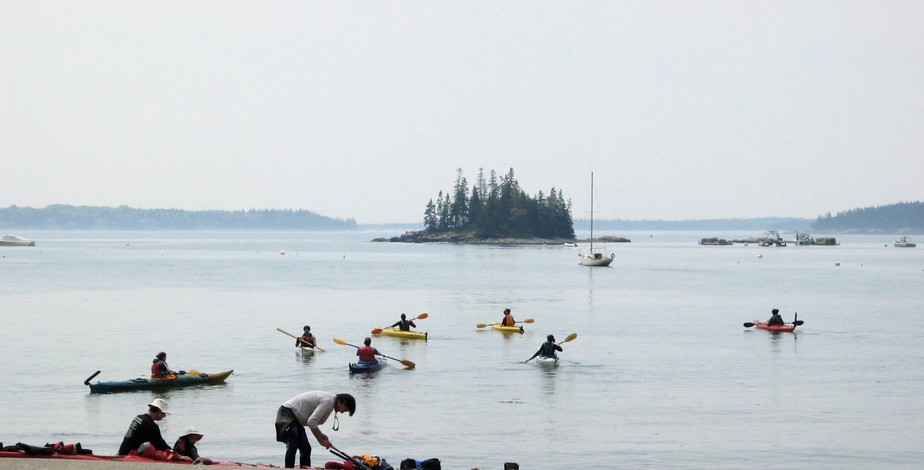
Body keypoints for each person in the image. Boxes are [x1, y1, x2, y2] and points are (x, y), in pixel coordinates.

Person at [275, 391, 356, 469]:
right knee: (293, 444)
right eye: (345, 410)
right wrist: (321, 441)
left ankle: (305, 468)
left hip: (295, 419)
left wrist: (320, 434)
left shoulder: (330, 401)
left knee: (306, 448)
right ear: (342, 402)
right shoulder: (328, 401)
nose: (342, 412)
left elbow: (312, 421)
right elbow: (312, 421)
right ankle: (288, 468)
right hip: (287, 414)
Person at [117, 398, 191, 462]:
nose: (164, 416)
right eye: (163, 414)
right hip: (128, 456)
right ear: (158, 411)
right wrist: (179, 456)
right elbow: (161, 445)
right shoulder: (150, 424)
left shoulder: (139, 417)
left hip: (122, 451)